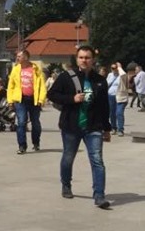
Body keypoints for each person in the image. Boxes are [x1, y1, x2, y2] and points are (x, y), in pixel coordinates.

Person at [47, 45, 112, 208]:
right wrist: (72, 98)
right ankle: (66, 184)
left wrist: (107, 128)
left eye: (87, 57)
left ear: (93, 60)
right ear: (77, 59)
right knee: (68, 158)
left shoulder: (100, 81)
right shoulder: (66, 77)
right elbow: (51, 94)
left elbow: (104, 106)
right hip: (71, 126)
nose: (84, 60)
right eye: (81, 57)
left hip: (93, 127)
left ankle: (99, 195)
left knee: (97, 160)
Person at [6, 50, 46, 154]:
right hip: (20, 100)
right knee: (21, 122)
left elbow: (42, 86)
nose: (17, 58)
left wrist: (41, 99)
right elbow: (11, 86)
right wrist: (10, 100)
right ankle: (22, 146)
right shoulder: (15, 69)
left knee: (35, 123)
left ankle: (36, 142)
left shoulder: (36, 69)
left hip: (34, 99)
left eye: (19, 56)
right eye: (17, 56)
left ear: (26, 57)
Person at [106, 61, 129, 136]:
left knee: (119, 113)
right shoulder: (110, 75)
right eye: (112, 68)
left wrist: (119, 67)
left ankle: (120, 129)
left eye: (115, 68)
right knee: (112, 113)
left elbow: (123, 74)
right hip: (110, 96)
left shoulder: (122, 75)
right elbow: (106, 83)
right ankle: (113, 128)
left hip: (121, 97)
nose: (113, 69)